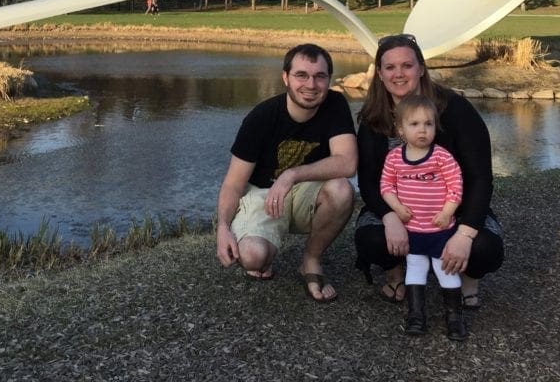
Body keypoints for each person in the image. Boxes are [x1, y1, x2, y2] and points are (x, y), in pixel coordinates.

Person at [355, 34, 504, 315]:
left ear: (421, 68)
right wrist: (389, 217)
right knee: (371, 239)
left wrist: (464, 233)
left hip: (450, 209)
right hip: (399, 209)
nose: (398, 74)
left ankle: (467, 279)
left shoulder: (455, 109)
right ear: (380, 73)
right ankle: (396, 273)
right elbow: (368, 180)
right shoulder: (374, 116)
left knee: (485, 248)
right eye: (390, 67)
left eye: (407, 65)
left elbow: (480, 177)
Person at [216, 43, 358, 303]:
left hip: (305, 190)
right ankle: (261, 243)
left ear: (329, 80)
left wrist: (291, 175)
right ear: (285, 78)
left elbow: (347, 162)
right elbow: (233, 184)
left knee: (341, 189)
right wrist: (223, 227)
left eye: (320, 76)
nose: (311, 85)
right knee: (253, 258)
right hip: (262, 194)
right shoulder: (261, 118)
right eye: (301, 75)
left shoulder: (335, 104)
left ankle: (311, 261)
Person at [380, 93, 466, 340]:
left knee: (445, 270)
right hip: (413, 230)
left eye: (428, 124)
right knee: (415, 269)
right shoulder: (395, 158)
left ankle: (454, 317)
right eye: (414, 124)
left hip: (440, 230)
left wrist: (448, 211)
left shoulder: (441, 157)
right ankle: (416, 315)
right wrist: (396, 207)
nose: (422, 130)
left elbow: (456, 187)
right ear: (401, 129)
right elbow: (386, 186)